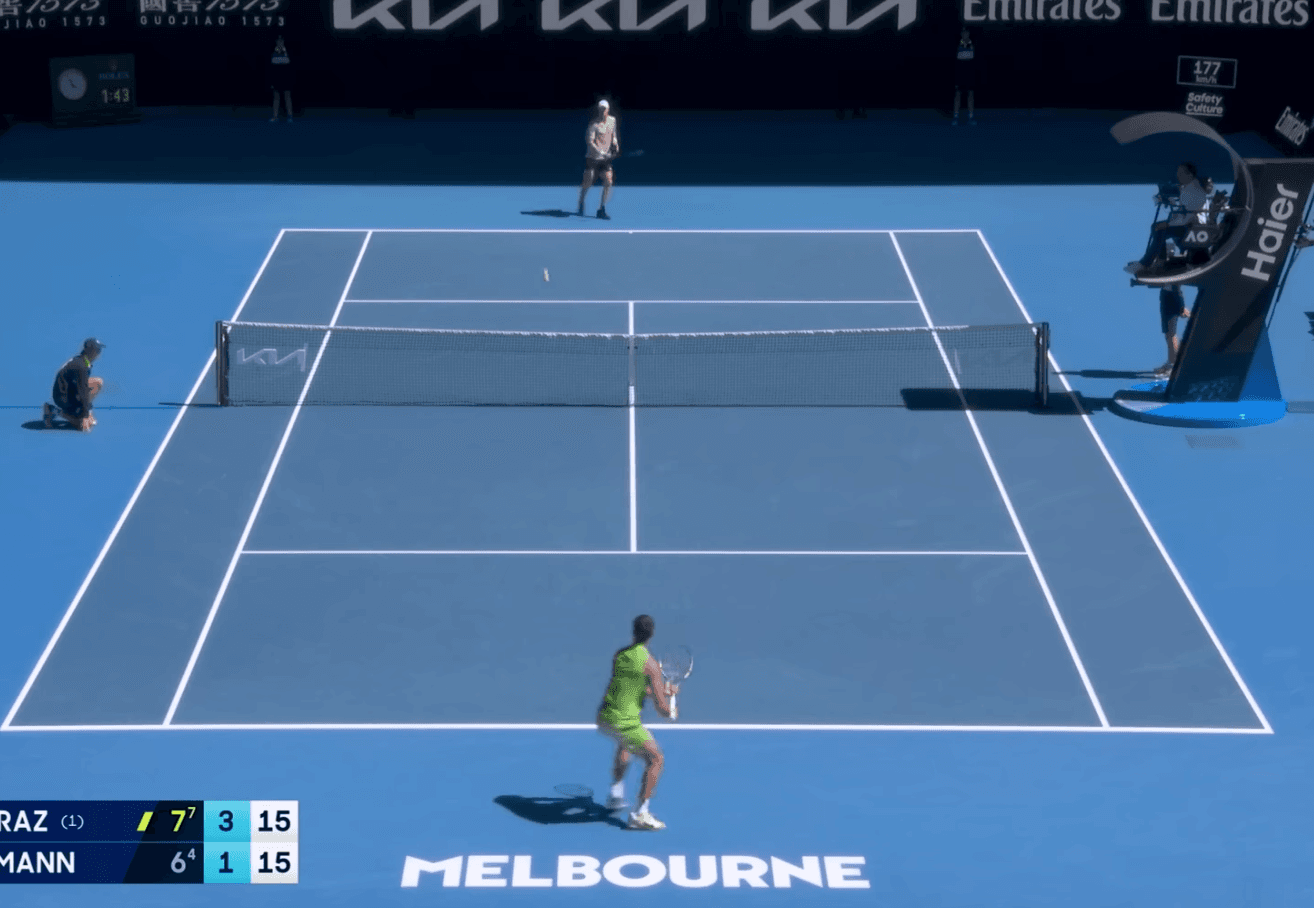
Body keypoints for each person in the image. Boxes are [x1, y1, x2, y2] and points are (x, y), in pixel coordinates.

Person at [596, 614, 678, 831]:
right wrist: (671, 707)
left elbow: (633, 686)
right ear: (652, 634)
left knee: (626, 744)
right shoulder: (651, 665)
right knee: (656, 759)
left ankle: (615, 795)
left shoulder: (620, 655)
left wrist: (661, 690)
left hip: (605, 717)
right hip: (625, 723)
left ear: (633, 631)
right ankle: (640, 814)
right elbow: (662, 711)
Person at [1125, 162, 1208, 276]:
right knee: (1156, 227)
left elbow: (1190, 215)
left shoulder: (1194, 191)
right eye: (1178, 173)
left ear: (1190, 175)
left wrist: (1168, 224)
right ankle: (1160, 259)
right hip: (1186, 224)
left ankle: (1147, 263)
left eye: (1181, 173)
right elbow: (1184, 208)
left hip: (1193, 227)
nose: (1178, 176)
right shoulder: (1188, 188)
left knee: (1160, 230)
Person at [45, 338, 106, 432]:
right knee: (81, 426)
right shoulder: (81, 366)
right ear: (91, 351)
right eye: (98, 350)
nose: (99, 353)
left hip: (70, 390)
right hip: (63, 397)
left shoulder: (83, 360)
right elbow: (83, 391)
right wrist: (85, 415)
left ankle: (78, 413)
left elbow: (82, 387)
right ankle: (53, 410)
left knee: (97, 382)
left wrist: (88, 411)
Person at [578, 100, 619, 220]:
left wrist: (615, 143)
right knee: (588, 181)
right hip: (593, 157)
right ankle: (581, 201)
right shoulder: (594, 125)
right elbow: (590, 142)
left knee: (608, 181)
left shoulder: (612, 121)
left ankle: (601, 209)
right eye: (600, 109)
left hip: (605, 159)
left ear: (608, 110)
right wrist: (600, 152)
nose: (602, 111)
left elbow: (613, 135)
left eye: (604, 109)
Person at [1153, 288, 1191, 377]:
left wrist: (1181, 306)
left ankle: (1174, 366)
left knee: (1171, 333)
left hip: (1172, 296)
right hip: (1165, 295)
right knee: (1167, 333)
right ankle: (1170, 362)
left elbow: (1176, 286)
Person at [952, 27, 976, 127]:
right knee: (958, 95)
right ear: (961, 34)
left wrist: (966, 53)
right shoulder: (957, 44)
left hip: (970, 74)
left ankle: (971, 117)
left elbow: (972, 56)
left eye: (966, 33)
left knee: (970, 94)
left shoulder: (973, 44)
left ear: (968, 34)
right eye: (963, 33)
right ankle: (955, 117)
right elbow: (958, 57)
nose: (964, 34)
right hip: (959, 74)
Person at [270, 36, 294, 124]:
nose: (279, 42)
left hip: (286, 78)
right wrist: (282, 60)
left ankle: (290, 116)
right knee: (276, 97)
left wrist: (280, 60)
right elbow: (273, 61)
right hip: (276, 78)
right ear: (276, 42)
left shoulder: (288, 51)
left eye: (281, 41)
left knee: (287, 97)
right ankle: (275, 116)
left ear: (283, 42)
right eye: (278, 41)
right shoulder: (274, 51)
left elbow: (288, 61)